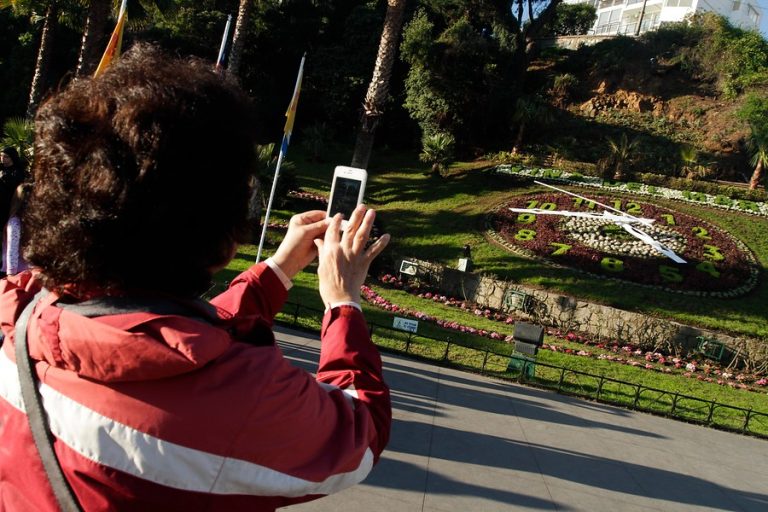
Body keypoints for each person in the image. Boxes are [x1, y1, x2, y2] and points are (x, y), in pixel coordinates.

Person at [0, 44, 391, 511]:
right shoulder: (246, 401)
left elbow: (148, 337)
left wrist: (278, 271)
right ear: (223, 242)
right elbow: (357, 434)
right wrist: (343, 302)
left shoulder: (18, 310)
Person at [2, 182, 31, 276]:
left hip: (31, 272)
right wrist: (11, 276)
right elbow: (12, 251)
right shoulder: (15, 222)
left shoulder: (31, 221)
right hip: (18, 273)